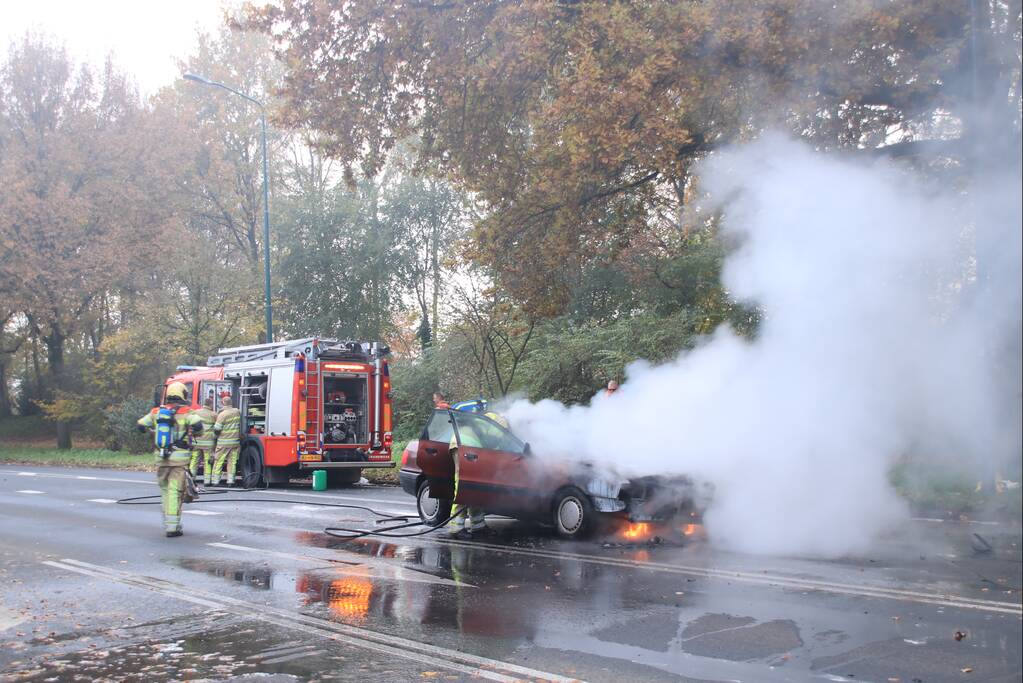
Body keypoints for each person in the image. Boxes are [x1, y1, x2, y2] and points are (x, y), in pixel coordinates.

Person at [136, 381, 204, 537]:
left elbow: (140, 426)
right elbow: (199, 427)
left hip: (161, 459)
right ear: (183, 395)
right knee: (175, 491)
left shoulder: (156, 412)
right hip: (179, 460)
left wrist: (154, 432)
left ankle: (169, 523)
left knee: (165, 491)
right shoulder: (187, 412)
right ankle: (173, 527)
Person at [447, 411, 509, 538]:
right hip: (464, 445)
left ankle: (478, 526)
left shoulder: (493, 417)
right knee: (463, 486)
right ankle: (456, 528)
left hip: (467, 445)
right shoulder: (501, 424)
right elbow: (493, 442)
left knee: (475, 487)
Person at [210, 396, 242, 486]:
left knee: (219, 461)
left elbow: (217, 429)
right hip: (235, 442)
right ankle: (230, 481)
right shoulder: (237, 412)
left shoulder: (222, 415)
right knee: (232, 462)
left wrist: (214, 437)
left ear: (223, 403)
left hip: (223, 443)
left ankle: (215, 481)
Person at [189, 397, 218, 483]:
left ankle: (191, 478)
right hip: (208, 443)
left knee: (194, 460)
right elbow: (217, 427)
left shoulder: (195, 412)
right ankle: (207, 481)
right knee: (207, 461)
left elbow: (191, 425)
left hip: (196, 442)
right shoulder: (213, 415)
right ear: (211, 405)